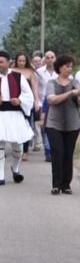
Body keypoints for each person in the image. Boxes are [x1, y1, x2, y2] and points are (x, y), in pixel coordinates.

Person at [0, 51, 34, 186]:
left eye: (1, 62)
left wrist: (20, 100)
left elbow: (29, 95)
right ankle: (0, 176)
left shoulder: (18, 77)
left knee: (18, 146)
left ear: (8, 62)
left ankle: (15, 169)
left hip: (15, 114)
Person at [44, 55, 80, 194]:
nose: (69, 69)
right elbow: (52, 100)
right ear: (60, 67)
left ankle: (66, 184)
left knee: (68, 154)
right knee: (58, 152)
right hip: (54, 124)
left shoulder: (75, 83)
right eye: (67, 66)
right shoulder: (51, 83)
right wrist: (70, 93)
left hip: (73, 123)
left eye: (71, 66)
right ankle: (56, 184)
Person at [13, 52, 42, 159]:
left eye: (23, 60)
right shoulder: (12, 71)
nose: (21, 63)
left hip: (27, 103)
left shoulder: (30, 72)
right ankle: (16, 148)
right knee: (15, 125)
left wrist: (37, 101)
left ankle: (25, 150)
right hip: (14, 102)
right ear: (16, 61)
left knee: (26, 125)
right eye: (19, 60)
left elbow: (34, 87)